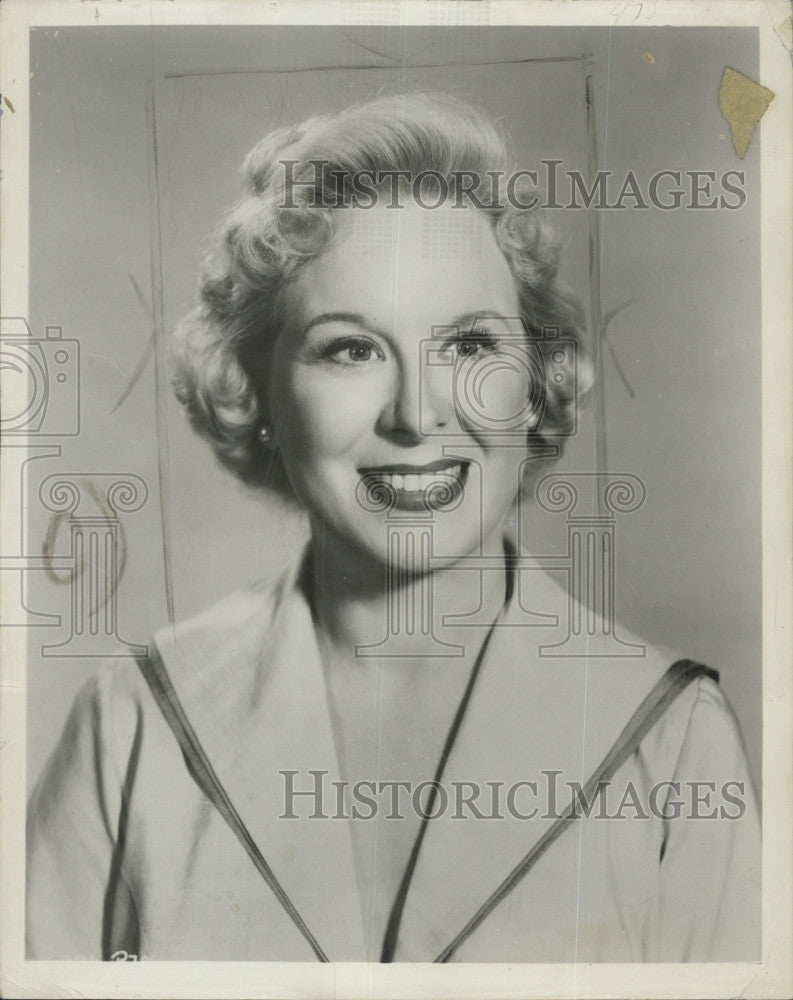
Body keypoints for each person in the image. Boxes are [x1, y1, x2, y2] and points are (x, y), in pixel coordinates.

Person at [26, 92, 760, 963]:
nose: (417, 414)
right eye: (351, 349)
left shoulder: (673, 742)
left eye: (470, 346)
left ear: (533, 383)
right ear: (256, 392)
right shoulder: (131, 724)